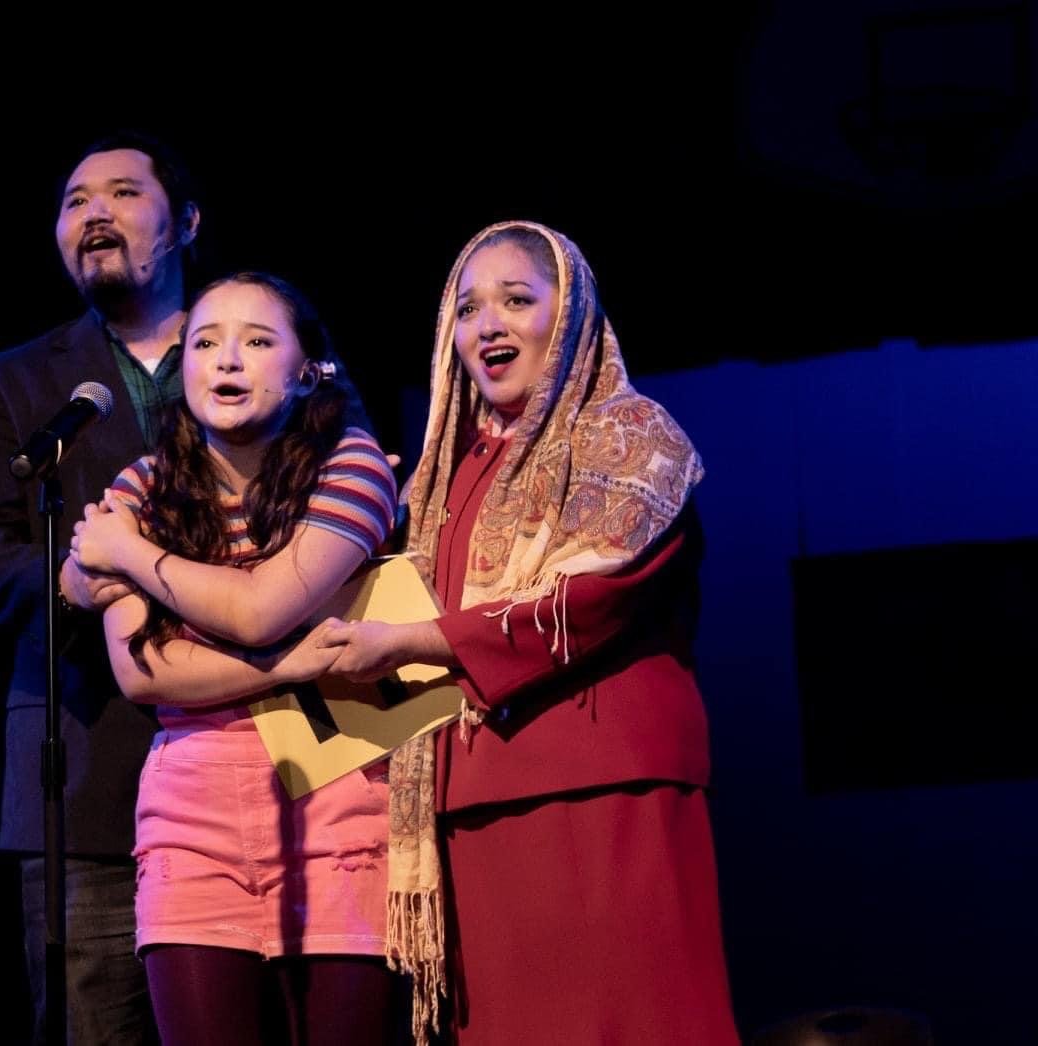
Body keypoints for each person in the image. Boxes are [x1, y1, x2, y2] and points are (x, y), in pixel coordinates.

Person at [315, 221, 739, 1044]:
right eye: (467, 309)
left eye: (516, 299)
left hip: (605, 788)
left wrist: (410, 644)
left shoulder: (628, 436)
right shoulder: (447, 472)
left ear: (571, 312)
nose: (488, 325)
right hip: (474, 797)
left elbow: (595, 596)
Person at [68, 272, 403, 1045]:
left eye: (257, 342)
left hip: (339, 791)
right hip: (191, 811)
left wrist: (131, 556)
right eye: (206, 342)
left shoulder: (351, 464)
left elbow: (261, 611)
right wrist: (282, 668)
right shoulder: (140, 490)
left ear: (305, 369)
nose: (227, 360)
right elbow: (143, 673)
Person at [0, 130, 202, 1046]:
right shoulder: (12, 381)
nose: (93, 214)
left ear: (187, 221)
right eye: (74, 200)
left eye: (123, 193)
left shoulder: (259, 347)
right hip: (88, 776)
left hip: (263, 750)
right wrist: (71, 577)